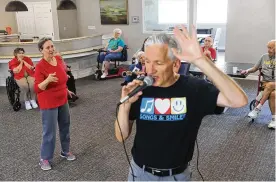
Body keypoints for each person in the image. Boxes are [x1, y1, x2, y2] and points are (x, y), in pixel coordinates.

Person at [115, 25, 248, 181]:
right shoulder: (139, 89)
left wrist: (201, 60)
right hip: (139, 173)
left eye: (158, 63)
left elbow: (239, 100)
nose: (150, 70)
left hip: (176, 176)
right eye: (147, 62)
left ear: (176, 65)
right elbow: (121, 136)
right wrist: (124, 105)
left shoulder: (194, 89)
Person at [34, 37, 76, 171]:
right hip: (48, 101)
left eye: (52, 46)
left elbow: (62, 79)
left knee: (65, 126)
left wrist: (66, 89)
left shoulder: (57, 59)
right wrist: (47, 80)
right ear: (41, 50)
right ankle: (45, 158)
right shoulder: (40, 66)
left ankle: (65, 151)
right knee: (49, 131)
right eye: (48, 47)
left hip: (62, 98)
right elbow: (37, 88)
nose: (51, 49)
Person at [241, 40, 276, 129]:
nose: (268, 50)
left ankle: (257, 109)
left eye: (271, 48)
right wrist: (247, 71)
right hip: (266, 83)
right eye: (268, 47)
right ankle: (274, 120)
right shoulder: (264, 57)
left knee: (271, 85)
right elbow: (255, 68)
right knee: (273, 94)